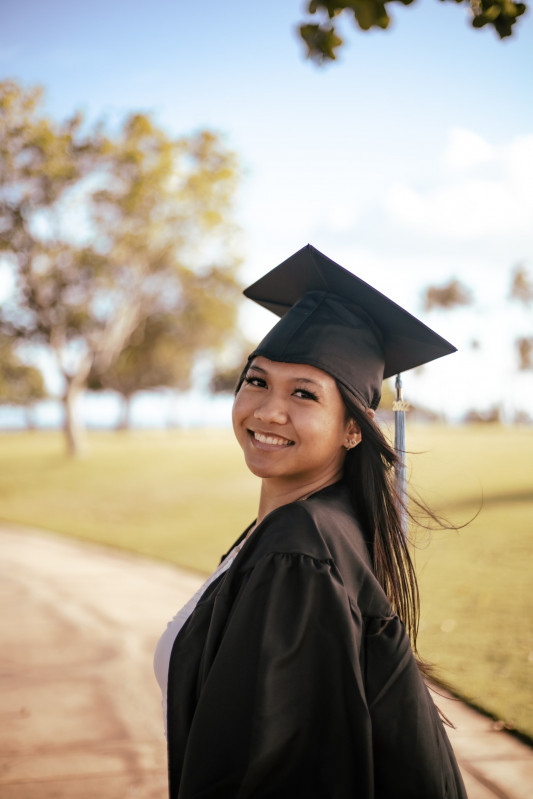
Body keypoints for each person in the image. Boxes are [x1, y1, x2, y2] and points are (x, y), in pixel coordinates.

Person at [154, 244, 468, 798]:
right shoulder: (321, 526)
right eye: (257, 381)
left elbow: (274, 773)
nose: (269, 410)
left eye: (304, 393)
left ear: (355, 429)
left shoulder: (298, 553)